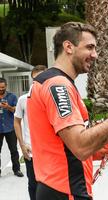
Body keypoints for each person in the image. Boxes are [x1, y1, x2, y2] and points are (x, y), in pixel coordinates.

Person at [27, 22, 108, 200]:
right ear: (68, 47)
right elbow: (80, 145)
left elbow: (60, 144)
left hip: (56, 187)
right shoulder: (58, 85)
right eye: (89, 47)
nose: (95, 55)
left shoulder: (47, 81)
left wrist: (96, 149)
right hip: (65, 190)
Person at [14, 65, 47, 200]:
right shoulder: (23, 99)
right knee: (33, 184)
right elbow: (16, 122)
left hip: (50, 152)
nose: (38, 83)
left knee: (50, 186)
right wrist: (22, 145)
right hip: (31, 151)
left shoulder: (52, 98)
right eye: (35, 80)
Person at [0, 78, 24, 178]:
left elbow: (17, 111)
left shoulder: (12, 96)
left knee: (13, 150)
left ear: (6, 86)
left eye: (3, 87)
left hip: (10, 128)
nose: (1, 89)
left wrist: (8, 107)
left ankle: (16, 169)